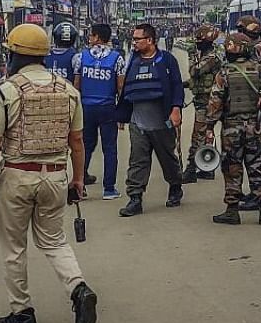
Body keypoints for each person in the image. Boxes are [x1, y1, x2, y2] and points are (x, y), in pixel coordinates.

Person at [0, 23, 97, 323]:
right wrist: (78, 180)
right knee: (54, 241)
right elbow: (77, 141)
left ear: (13, 54)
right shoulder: (68, 90)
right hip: (55, 177)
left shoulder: (6, 91)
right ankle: (79, 288)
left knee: (14, 248)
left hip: (17, 176)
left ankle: (22, 313)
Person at [117, 22, 186, 217]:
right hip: (138, 121)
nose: (134, 43)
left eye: (138, 39)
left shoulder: (167, 60)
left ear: (150, 40)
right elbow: (126, 89)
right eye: (134, 39)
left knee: (168, 158)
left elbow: (177, 86)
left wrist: (176, 110)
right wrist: (122, 115)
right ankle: (135, 198)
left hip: (161, 121)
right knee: (138, 160)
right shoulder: (132, 60)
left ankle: (175, 186)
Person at [208, 32, 261, 225]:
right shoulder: (260, 70)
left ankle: (232, 210)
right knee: (257, 166)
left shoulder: (224, 73)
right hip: (254, 128)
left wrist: (209, 126)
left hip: (231, 129)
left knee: (232, 168)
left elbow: (215, 102)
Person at [73, 24, 127, 200]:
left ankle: (80, 186)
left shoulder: (81, 57)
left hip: (86, 108)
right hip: (108, 108)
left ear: (97, 37)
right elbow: (120, 87)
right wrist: (122, 111)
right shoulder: (117, 58)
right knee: (110, 148)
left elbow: (76, 86)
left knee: (85, 146)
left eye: (91, 35)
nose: (89, 38)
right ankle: (109, 189)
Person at [181, 23, 222, 183]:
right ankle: (207, 168)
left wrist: (191, 55)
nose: (197, 44)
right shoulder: (207, 54)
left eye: (199, 41)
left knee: (198, 135)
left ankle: (191, 169)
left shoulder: (211, 57)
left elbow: (195, 71)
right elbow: (196, 79)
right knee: (207, 134)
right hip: (204, 100)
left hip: (208, 102)